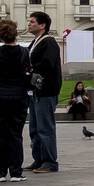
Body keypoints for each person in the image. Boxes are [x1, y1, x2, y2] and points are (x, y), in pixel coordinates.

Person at [0, 19, 31, 182]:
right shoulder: (24, 52)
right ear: (15, 33)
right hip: (18, 95)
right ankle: (16, 171)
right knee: (15, 133)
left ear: (0, 35)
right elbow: (27, 71)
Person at [26, 11, 61, 174]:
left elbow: (47, 64)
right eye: (29, 21)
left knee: (45, 127)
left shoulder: (49, 42)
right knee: (34, 127)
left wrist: (30, 69)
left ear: (42, 25)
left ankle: (50, 161)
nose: (29, 24)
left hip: (45, 90)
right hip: (34, 90)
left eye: (32, 22)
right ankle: (38, 159)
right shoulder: (34, 43)